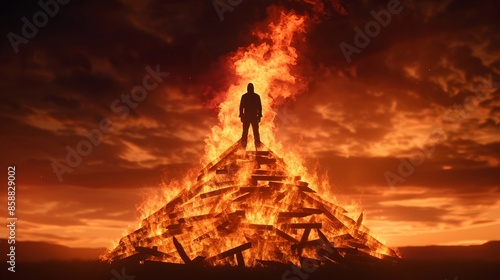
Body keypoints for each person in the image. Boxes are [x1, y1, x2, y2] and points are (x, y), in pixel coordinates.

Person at [239, 83, 262, 148]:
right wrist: (259, 116)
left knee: (251, 132)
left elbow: (259, 107)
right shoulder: (256, 96)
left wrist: (241, 116)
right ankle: (246, 145)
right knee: (250, 132)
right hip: (251, 117)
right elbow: (259, 107)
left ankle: (254, 145)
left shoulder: (245, 96)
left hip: (250, 117)